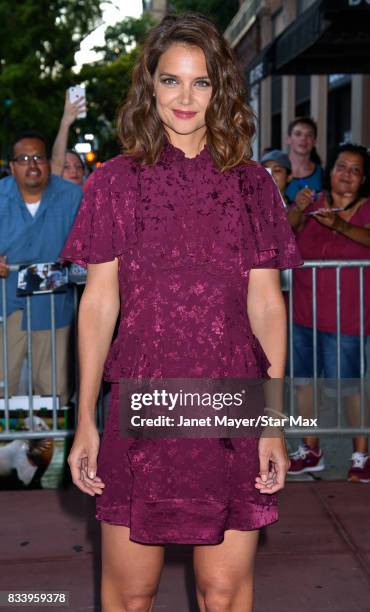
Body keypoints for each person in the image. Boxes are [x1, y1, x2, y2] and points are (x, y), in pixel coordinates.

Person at [62, 13, 302, 612]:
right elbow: (98, 304)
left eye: (201, 82)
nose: (186, 98)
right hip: (143, 399)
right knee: (132, 593)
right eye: (171, 81)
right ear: (151, 87)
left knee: (223, 592)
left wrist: (273, 422)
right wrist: (86, 417)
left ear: (220, 88)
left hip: (231, 402)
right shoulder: (114, 184)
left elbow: (267, 305)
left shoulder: (253, 187)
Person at [287, 143, 370, 483]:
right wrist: (297, 209)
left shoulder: (366, 209)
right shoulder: (313, 204)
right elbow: (286, 232)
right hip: (305, 313)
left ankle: (361, 456)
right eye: (341, 167)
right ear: (330, 171)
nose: (346, 175)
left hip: (347, 319)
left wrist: (341, 226)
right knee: (304, 384)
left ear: (363, 179)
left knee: (350, 387)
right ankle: (311, 451)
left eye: (354, 170)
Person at [0, 130, 82, 407]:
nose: (32, 165)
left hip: (55, 308)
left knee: (54, 391)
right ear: (12, 166)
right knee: (2, 386)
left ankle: (53, 450)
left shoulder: (72, 197)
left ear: (48, 162)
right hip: (6, 307)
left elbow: (89, 248)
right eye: (23, 159)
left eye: (38, 157)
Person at [285, 117, 324, 204]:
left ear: (314, 142)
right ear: (288, 139)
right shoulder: (276, 171)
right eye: (298, 134)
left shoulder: (322, 175)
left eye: (309, 135)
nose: (303, 138)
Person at [51, 90, 86, 186]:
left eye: (78, 167)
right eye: (66, 167)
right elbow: (57, 160)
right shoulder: (51, 198)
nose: (74, 171)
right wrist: (65, 122)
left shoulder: (94, 197)